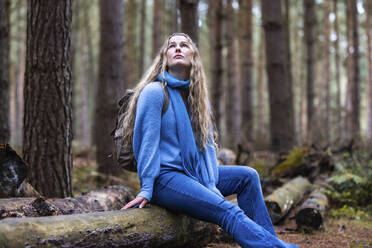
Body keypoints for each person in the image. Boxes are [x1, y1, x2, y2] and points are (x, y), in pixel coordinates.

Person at [121, 33, 299, 248]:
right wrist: (147, 188)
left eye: (184, 45)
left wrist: (209, 182)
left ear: (193, 56)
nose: (178, 48)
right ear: (164, 57)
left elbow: (206, 146)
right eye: (172, 46)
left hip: (194, 174)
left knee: (248, 176)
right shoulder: (155, 92)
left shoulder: (197, 98)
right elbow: (146, 144)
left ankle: (268, 240)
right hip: (165, 179)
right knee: (228, 210)